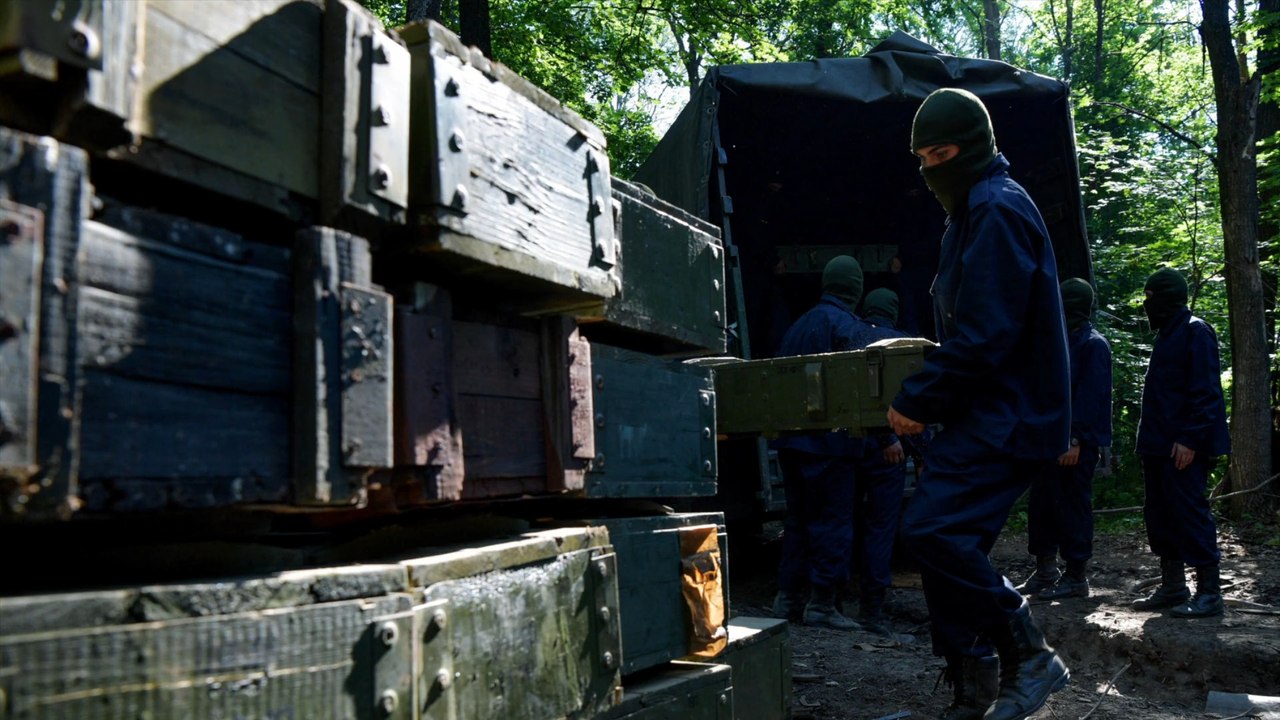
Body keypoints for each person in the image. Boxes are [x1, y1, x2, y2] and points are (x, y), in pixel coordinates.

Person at [886, 87, 1071, 720]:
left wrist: (919, 397)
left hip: (1009, 414)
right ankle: (973, 696)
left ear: (977, 145)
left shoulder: (994, 208)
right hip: (988, 412)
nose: (933, 167)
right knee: (950, 549)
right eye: (924, 157)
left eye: (944, 152)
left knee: (932, 530)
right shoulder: (971, 211)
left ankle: (1031, 655)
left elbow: (987, 330)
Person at [771, 255, 870, 631]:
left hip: (793, 445)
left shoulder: (796, 327)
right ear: (855, 288)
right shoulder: (849, 328)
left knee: (797, 521)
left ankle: (787, 598)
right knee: (833, 521)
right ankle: (823, 603)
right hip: (833, 446)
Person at [1131, 267, 1231, 618]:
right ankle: (1174, 586)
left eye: (1151, 298)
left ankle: (1210, 593)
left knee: (1190, 512)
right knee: (1159, 514)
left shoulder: (1195, 331)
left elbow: (1206, 392)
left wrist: (1190, 438)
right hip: (1157, 446)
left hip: (1184, 448)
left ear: (1167, 296)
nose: (1147, 305)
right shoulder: (1168, 334)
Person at [1015, 278, 1113, 601]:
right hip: (1048, 442)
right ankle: (1045, 571)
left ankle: (1076, 575)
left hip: (1075, 445)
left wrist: (1075, 439)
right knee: (1042, 504)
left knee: (1073, 506)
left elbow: (1090, 397)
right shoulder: (1058, 341)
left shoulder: (1092, 344)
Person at [849, 288, 916, 637]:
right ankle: (871, 609)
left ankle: (833, 598)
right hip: (887, 451)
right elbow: (912, 402)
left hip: (847, 448)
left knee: (842, 520)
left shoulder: (848, 336)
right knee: (880, 526)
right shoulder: (901, 344)